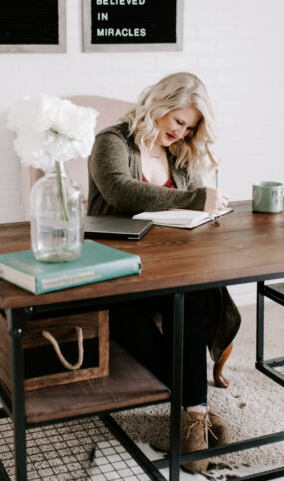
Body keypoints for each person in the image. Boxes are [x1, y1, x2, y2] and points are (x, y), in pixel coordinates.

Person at [87, 72, 241, 473]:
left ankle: (192, 416)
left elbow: (195, 210)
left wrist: (211, 209)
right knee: (129, 316)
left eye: (190, 127)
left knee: (197, 294)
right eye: (177, 121)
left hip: (172, 265)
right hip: (116, 267)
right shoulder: (113, 141)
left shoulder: (183, 153)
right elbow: (119, 190)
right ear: (158, 105)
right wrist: (195, 198)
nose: (181, 132)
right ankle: (195, 412)